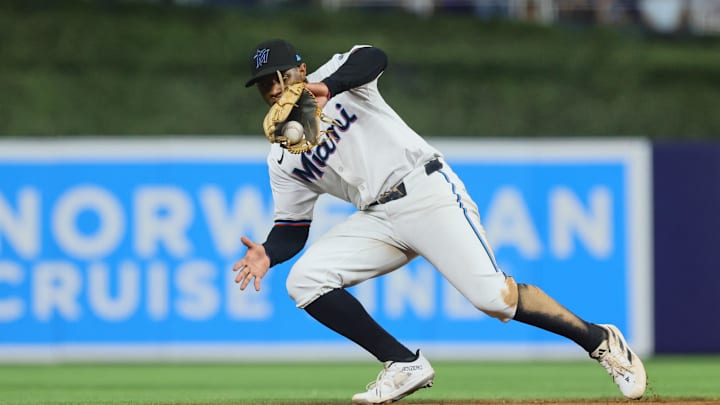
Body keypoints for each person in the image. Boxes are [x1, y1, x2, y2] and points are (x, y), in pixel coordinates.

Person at [234, 39, 647, 404]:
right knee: (304, 280)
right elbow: (292, 227)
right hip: (376, 218)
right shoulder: (282, 157)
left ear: (301, 70)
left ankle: (599, 340)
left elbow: (375, 57)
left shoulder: (340, 77)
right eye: (264, 84)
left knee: (492, 298)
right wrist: (268, 253)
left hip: (426, 191)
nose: (273, 89)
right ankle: (402, 364)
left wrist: (325, 89)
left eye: (279, 76)